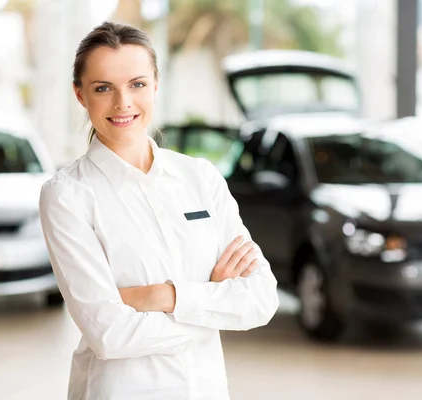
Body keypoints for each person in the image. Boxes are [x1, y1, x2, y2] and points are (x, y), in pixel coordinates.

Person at [38, 21, 279, 400]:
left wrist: (163, 297)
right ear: (80, 95)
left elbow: (261, 299)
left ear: (155, 84)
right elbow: (110, 336)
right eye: (104, 88)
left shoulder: (200, 177)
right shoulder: (67, 196)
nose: (123, 103)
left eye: (137, 84)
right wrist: (212, 302)